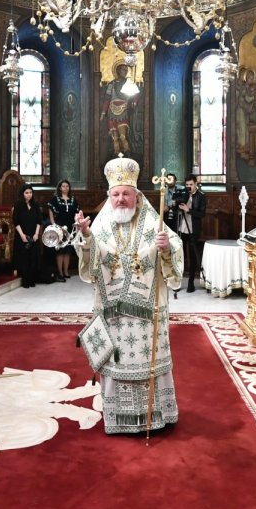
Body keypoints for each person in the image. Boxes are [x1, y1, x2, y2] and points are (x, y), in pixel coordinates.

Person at [74, 157, 184, 434]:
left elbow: (174, 246)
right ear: (109, 196)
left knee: (148, 363)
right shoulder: (101, 223)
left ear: (136, 194)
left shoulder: (151, 219)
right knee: (117, 361)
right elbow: (91, 260)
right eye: (115, 194)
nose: (121, 199)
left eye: (126, 194)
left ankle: (155, 415)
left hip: (147, 316)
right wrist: (86, 237)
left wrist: (166, 247)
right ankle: (118, 418)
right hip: (114, 313)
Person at [175, 174, 206, 293]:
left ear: (195, 184)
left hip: (193, 229)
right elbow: (177, 210)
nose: (189, 187)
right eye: (187, 185)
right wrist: (177, 204)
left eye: (191, 185)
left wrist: (189, 210)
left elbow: (202, 214)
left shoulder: (201, 196)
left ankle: (191, 283)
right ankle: (177, 282)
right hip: (182, 227)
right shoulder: (184, 194)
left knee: (193, 256)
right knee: (180, 255)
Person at [12, 184, 44, 288]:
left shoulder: (35, 204)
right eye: (26, 193)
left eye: (30, 192)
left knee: (33, 258)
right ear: (22, 193)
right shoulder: (18, 204)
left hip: (33, 234)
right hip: (22, 234)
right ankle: (25, 281)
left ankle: (31, 280)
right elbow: (16, 221)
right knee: (24, 258)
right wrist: (22, 235)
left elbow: (39, 220)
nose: (29, 195)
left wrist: (36, 233)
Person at [47, 179, 78, 282]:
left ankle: (66, 271)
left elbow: (77, 214)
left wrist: (76, 224)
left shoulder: (73, 199)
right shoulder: (56, 199)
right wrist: (53, 224)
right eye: (63, 186)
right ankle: (60, 272)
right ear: (60, 188)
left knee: (68, 251)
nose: (65, 188)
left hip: (70, 227)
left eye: (67, 186)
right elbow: (50, 210)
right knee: (60, 251)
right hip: (59, 227)